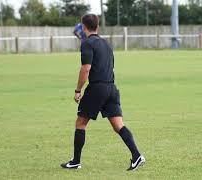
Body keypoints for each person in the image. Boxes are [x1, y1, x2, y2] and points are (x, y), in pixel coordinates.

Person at [61, 14, 145, 171]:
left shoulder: (87, 43)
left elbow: (86, 68)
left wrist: (78, 90)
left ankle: (76, 162)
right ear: (97, 26)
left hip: (97, 88)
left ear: (83, 26)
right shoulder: (106, 44)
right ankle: (137, 155)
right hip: (111, 88)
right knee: (118, 125)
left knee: (80, 123)